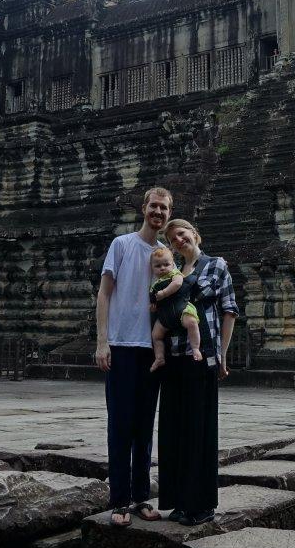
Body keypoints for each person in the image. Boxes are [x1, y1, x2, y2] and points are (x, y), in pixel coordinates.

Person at [94, 186, 172, 528]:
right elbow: (104, 293)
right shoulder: (122, 245)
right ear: (144, 208)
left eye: (164, 209)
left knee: (144, 425)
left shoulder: (165, 253)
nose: (158, 213)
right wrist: (102, 341)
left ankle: (141, 497)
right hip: (122, 345)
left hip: (152, 350)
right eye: (154, 206)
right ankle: (119, 500)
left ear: (169, 214)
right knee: (120, 425)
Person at [157, 217, 238, 527]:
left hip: (201, 356)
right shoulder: (172, 273)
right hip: (174, 357)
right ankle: (179, 500)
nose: (178, 240)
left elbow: (229, 311)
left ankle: (201, 502)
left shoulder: (216, 266)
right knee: (173, 427)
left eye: (182, 233)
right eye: (172, 238)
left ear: (195, 234)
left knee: (199, 429)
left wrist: (222, 354)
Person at [147, 245, 201, 372]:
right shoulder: (154, 284)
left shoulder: (175, 274)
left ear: (173, 264)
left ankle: (195, 348)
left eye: (166, 264)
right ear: (152, 268)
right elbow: (154, 300)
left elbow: (177, 284)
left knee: (192, 323)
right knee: (156, 335)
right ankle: (159, 357)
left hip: (182, 309)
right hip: (165, 315)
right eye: (158, 266)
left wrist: (164, 293)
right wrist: (153, 306)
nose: (162, 268)